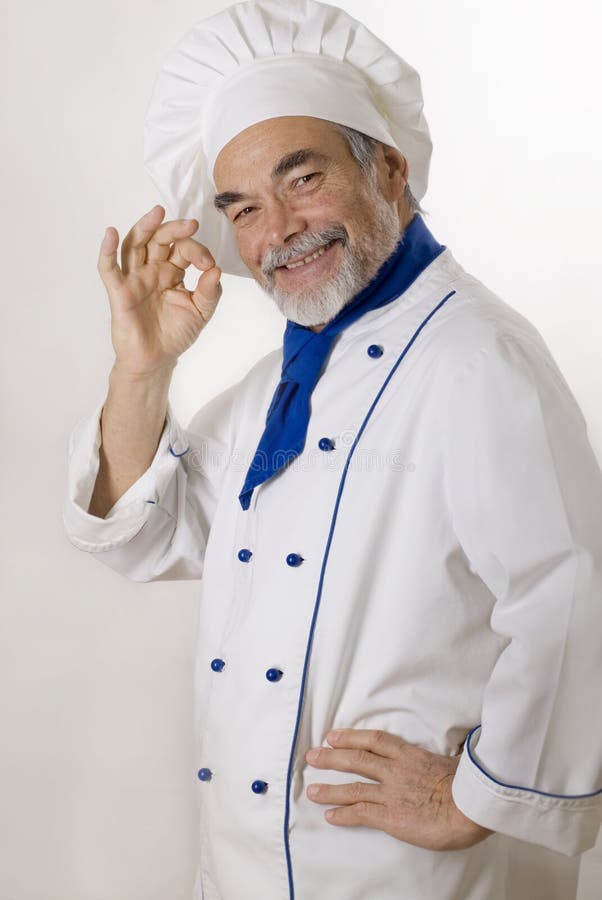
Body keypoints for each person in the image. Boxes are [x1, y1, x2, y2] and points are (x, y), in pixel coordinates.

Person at [62, 1, 602, 898]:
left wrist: (482, 797)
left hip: (408, 876)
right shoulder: (287, 379)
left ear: (388, 169)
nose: (277, 231)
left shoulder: (476, 359)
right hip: (249, 869)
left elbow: (576, 595)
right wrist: (143, 367)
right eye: (243, 208)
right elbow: (147, 534)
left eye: (303, 178)